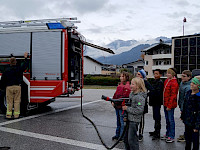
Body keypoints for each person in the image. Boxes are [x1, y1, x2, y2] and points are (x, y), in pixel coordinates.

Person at [1, 52, 28, 119]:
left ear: (10, 62)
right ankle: (16, 115)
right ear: (15, 62)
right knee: (17, 101)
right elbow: (25, 66)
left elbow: (3, 80)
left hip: (9, 87)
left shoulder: (6, 70)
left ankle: (8, 115)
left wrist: (2, 87)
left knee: (9, 102)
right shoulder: (19, 69)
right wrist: (25, 58)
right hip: (17, 87)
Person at [122, 77, 147, 150]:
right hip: (129, 119)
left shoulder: (140, 98)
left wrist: (127, 109)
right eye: (130, 83)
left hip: (134, 121)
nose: (130, 85)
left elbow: (139, 110)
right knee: (126, 139)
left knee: (132, 140)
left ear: (138, 86)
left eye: (132, 84)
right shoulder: (132, 94)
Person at [181, 76, 200, 150]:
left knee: (195, 140)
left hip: (195, 122)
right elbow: (185, 105)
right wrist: (182, 115)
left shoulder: (198, 96)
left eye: (194, 83)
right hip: (187, 120)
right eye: (191, 82)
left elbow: (199, 112)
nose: (191, 84)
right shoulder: (188, 93)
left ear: (198, 85)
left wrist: (197, 126)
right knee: (187, 139)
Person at [112, 72, 131, 141]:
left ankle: (122, 137)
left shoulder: (127, 86)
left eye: (123, 76)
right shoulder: (120, 84)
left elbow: (124, 97)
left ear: (126, 77)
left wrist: (115, 101)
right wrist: (113, 101)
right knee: (118, 122)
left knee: (122, 122)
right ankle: (117, 135)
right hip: (117, 106)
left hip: (121, 107)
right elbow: (116, 94)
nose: (121, 78)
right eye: (120, 76)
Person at [161, 68, 179, 143]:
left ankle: (171, 136)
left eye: (168, 73)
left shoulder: (174, 82)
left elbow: (173, 95)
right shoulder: (167, 81)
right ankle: (168, 133)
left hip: (170, 105)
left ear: (172, 74)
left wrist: (169, 105)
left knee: (171, 120)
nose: (167, 74)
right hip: (165, 103)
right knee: (167, 119)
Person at [136, 69, 154, 141]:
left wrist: (145, 95)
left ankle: (140, 134)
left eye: (139, 74)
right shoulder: (135, 82)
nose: (137, 75)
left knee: (141, 119)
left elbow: (152, 90)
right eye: (137, 74)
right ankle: (135, 133)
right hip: (135, 102)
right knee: (135, 118)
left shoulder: (145, 82)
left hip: (142, 103)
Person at [148, 69, 164, 140]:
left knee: (157, 117)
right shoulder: (155, 81)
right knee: (155, 117)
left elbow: (156, 92)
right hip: (154, 102)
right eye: (154, 74)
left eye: (157, 74)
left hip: (157, 102)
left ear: (160, 75)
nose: (155, 75)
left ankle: (157, 133)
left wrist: (151, 92)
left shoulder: (160, 82)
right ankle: (155, 131)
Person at [177, 70, 192, 142]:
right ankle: (186, 134)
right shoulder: (182, 83)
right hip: (181, 105)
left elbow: (186, 100)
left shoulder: (189, 87)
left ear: (189, 77)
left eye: (184, 76)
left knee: (187, 122)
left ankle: (188, 136)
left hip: (186, 107)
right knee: (185, 122)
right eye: (181, 76)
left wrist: (183, 109)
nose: (182, 77)